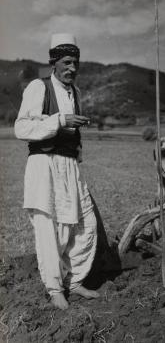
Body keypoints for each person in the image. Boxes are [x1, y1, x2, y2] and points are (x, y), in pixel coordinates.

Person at [14, 33, 100, 310]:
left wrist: (76, 151)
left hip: (69, 166)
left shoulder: (76, 93)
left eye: (75, 63)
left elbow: (73, 133)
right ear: (54, 62)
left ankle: (74, 281)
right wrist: (59, 120)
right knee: (49, 229)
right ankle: (54, 289)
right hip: (44, 164)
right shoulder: (38, 88)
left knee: (85, 226)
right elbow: (21, 128)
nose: (72, 69)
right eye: (66, 62)